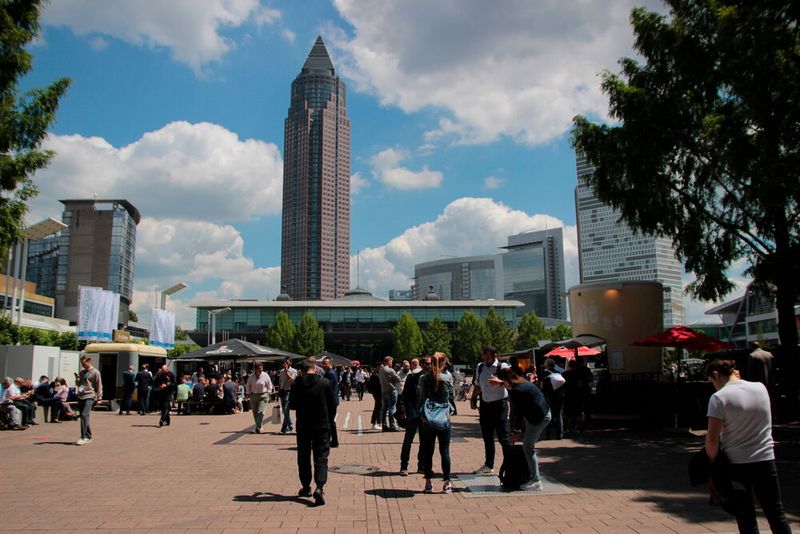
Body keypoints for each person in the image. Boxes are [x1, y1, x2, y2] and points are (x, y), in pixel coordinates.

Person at [705, 359, 791, 534]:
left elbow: (712, 438)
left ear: (715, 375)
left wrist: (713, 462)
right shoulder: (760, 388)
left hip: (737, 463)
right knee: (775, 511)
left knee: (746, 516)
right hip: (765, 459)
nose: (713, 386)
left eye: (712, 381)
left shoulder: (718, 398)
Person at [290, 359, 336, 506]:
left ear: (302, 371)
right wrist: (328, 418)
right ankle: (320, 487)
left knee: (303, 456)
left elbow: (292, 405)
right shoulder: (324, 383)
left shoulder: (297, 384)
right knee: (321, 456)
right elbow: (333, 403)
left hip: (303, 425)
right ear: (314, 369)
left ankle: (305, 486)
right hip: (322, 425)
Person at [498, 366, 551, 491]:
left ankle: (536, 480)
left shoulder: (517, 390)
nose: (504, 386)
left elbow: (519, 412)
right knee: (527, 444)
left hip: (539, 417)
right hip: (542, 412)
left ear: (506, 380)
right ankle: (533, 476)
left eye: (503, 382)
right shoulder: (523, 383)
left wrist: (516, 432)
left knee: (527, 446)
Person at [469, 345, 511, 474]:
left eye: (488, 356)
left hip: (500, 405)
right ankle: (489, 465)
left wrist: (501, 382)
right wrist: (473, 398)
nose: (486, 359)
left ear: (494, 356)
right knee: (487, 437)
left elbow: (513, 382)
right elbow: (477, 384)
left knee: (503, 437)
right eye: (484, 356)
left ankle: (510, 464)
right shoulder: (480, 366)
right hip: (485, 405)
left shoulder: (502, 367)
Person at [418, 352, 455, 494]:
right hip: (444, 417)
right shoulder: (448, 377)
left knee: (428, 451)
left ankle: (428, 483)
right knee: (444, 451)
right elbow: (450, 396)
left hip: (428, 418)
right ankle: (447, 483)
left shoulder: (423, 378)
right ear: (444, 363)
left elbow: (422, 397)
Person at [400, 357, 426, 476]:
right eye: (427, 364)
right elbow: (405, 396)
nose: (428, 366)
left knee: (424, 442)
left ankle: (421, 466)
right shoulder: (412, 377)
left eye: (430, 364)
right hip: (413, 414)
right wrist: (406, 411)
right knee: (408, 441)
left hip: (425, 415)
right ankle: (404, 466)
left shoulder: (431, 378)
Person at [76, 356, 102, 445]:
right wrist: (77, 380)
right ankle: (88, 435)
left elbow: (99, 385)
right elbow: (80, 384)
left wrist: (99, 398)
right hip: (81, 396)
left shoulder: (95, 372)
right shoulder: (82, 372)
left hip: (90, 396)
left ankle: (84, 437)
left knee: (84, 415)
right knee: (84, 417)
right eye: (82, 364)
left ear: (89, 361)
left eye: (84, 363)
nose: (83, 365)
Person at [562, 358, 593, 433]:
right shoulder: (578, 374)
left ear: (569, 366)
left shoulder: (564, 374)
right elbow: (580, 384)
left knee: (567, 412)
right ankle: (578, 427)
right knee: (577, 411)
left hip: (567, 395)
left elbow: (562, 385)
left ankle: (566, 428)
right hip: (576, 395)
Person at [540, 358, 565, 440]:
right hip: (559, 397)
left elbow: (541, 386)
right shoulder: (558, 373)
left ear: (547, 365)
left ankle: (549, 435)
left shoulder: (545, 373)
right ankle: (560, 434)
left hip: (549, 397)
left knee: (548, 414)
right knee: (558, 415)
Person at [246, 363, 273, 433]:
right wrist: (249, 394)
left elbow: (269, 385)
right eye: (259, 368)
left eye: (262, 368)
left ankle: (258, 427)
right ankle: (259, 426)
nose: (261, 370)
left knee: (260, 411)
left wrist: (268, 393)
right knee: (255, 412)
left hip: (263, 396)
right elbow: (248, 385)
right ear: (256, 369)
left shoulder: (265, 375)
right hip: (253, 396)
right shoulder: (251, 377)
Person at [321, 356, 340, 447]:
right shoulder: (329, 372)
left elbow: (327, 388)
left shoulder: (330, 374)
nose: (323, 365)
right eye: (323, 363)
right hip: (331, 401)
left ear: (330, 364)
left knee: (329, 422)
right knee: (329, 421)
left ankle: (331, 441)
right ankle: (332, 440)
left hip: (330, 402)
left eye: (325, 363)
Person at [379, 356, 401, 431]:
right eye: (391, 362)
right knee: (392, 408)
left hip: (384, 391)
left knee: (384, 409)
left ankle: (384, 425)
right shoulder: (390, 370)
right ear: (388, 362)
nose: (392, 363)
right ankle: (393, 425)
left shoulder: (381, 370)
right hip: (391, 391)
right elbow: (398, 379)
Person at [278, 357, 297, 434]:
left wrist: (287, 370)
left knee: (286, 409)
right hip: (282, 391)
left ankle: (284, 428)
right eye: (285, 362)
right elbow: (280, 382)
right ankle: (290, 424)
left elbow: (291, 380)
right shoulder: (281, 371)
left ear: (290, 363)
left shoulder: (293, 371)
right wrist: (279, 391)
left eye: (287, 362)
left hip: (289, 391)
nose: (286, 364)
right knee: (284, 411)